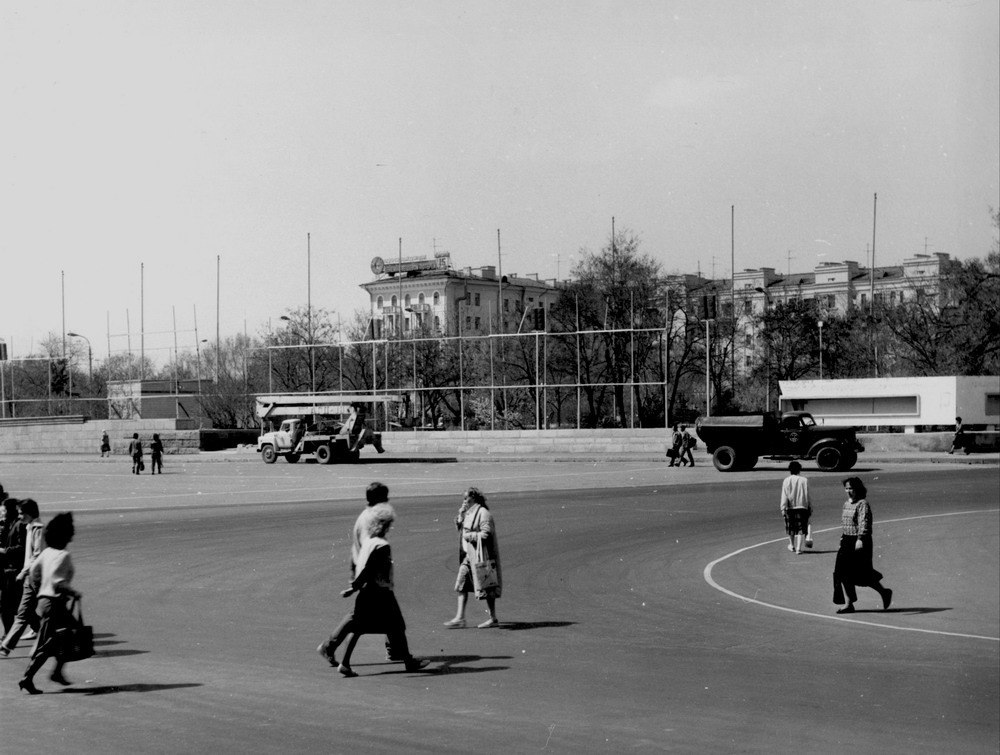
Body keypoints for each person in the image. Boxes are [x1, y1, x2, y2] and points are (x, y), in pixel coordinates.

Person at [326, 503, 428, 677]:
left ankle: (345, 663)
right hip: (381, 593)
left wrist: (354, 588)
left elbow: (363, 568)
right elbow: (370, 569)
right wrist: (356, 587)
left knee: (358, 627)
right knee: (397, 625)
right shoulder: (382, 545)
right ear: (384, 525)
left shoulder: (368, 543)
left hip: (366, 592)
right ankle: (409, 662)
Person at [318, 482, 400, 665]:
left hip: (364, 574)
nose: (387, 501)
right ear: (378, 499)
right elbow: (369, 552)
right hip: (370, 576)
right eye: (385, 498)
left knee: (383, 614)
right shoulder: (370, 519)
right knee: (359, 619)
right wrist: (358, 579)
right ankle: (329, 647)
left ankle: (395, 649)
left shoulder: (368, 516)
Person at [18, 512, 81, 694]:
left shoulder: (46, 553)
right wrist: (74, 593)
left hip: (44, 602)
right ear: (65, 535)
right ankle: (28, 678)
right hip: (55, 604)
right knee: (51, 642)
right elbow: (58, 582)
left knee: (66, 635)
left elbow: (34, 574)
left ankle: (56, 672)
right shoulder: (63, 556)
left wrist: (40, 591)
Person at [832, 477, 893, 614]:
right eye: (846, 488)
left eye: (851, 489)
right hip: (847, 540)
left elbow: (864, 523)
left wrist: (860, 539)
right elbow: (845, 523)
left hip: (860, 541)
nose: (848, 491)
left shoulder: (862, 504)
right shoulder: (846, 504)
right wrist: (843, 537)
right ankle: (849, 604)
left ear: (857, 489)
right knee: (841, 573)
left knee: (861, 574)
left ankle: (884, 592)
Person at [444, 487, 502, 629]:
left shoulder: (483, 514)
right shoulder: (469, 513)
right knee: (462, 584)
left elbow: (486, 534)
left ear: (474, 499)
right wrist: (460, 515)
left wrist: (470, 536)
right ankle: (460, 617)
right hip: (469, 556)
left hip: (481, 556)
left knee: (487, 586)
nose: (464, 501)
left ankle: (493, 618)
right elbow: (461, 528)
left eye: (466, 498)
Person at [1, 499, 44, 655]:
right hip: (27, 577)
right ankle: (6, 646)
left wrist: (23, 571)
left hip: (33, 576)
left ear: (29, 513)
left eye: (21, 513)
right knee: (22, 612)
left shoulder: (37, 529)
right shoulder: (28, 526)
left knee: (47, 613)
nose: (19, 516)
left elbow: (36, 555)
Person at [0, 498, 26, 636]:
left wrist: (5, 550)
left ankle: (8, 635)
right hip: (8, 570)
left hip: (15, 570)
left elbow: (22, 547)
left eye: (4, 511)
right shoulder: (8, 524)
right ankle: (8, 634)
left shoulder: (19, 525)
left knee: (10, 606)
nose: (2, 513)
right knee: (9, 606)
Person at [780, 461, 813, 553]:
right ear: (799, 469)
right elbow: (808, 495)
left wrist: (783, 508)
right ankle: (799, 548)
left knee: (791, 528)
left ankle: (792, 545)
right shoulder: (804, 480)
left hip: (790, 508)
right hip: (802, 507)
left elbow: (784, 495)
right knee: (801, 529)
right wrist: (810, 506)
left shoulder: (786, 480)